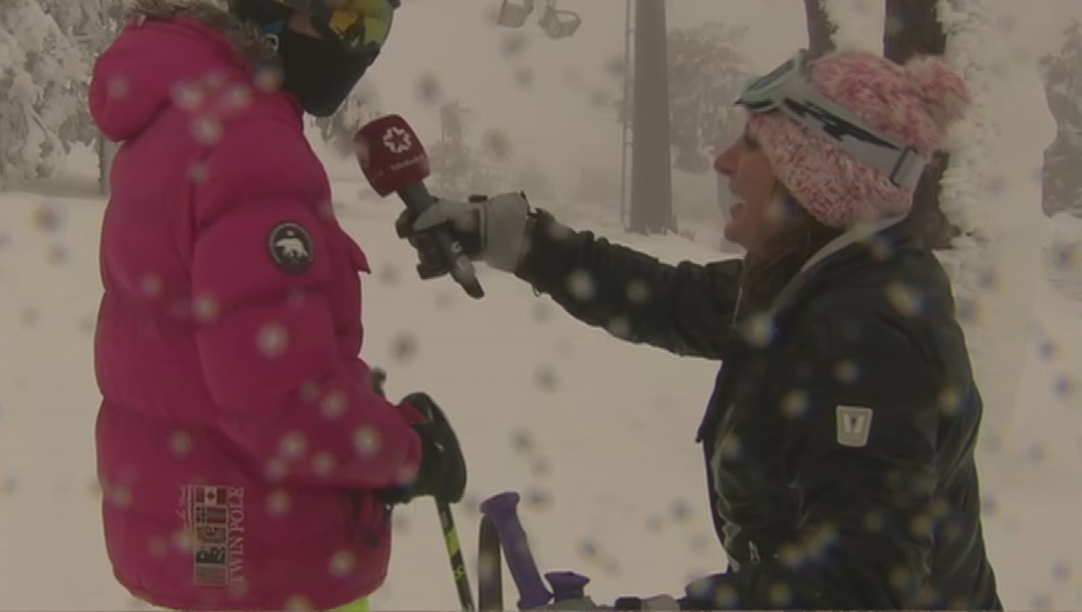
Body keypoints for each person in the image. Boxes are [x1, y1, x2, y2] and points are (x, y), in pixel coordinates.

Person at [397, 49, 1003, 610]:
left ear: (815, 177)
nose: (723, 162)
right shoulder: (817, 286)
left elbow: (857, 587)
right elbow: (666, 299)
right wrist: (514, 237)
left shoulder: (866, 336)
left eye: (754, 145)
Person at [88, 0, 466, 612]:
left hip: (200, 531)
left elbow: (214, 345)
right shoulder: (247, 143)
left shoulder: (184, 118)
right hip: (262, 556)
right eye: (352, 16)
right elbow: (276, 400)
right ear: (272, 2)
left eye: (380, 24)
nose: (365, 46)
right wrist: (409, 453)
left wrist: (338, 381)